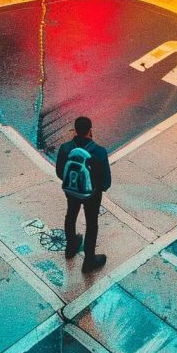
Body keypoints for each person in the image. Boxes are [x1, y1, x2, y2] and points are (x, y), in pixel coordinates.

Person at [55, 116, 112, 272]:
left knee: (71, 215)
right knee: (91, 224)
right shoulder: (99, 152)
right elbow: (106, 181)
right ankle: (89, 261)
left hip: (71, 191)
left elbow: (60, 172)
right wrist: (97, 188)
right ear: (90, 131)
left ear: (75, 130)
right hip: (92, 195)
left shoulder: (65, 148)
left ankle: (71, 246)